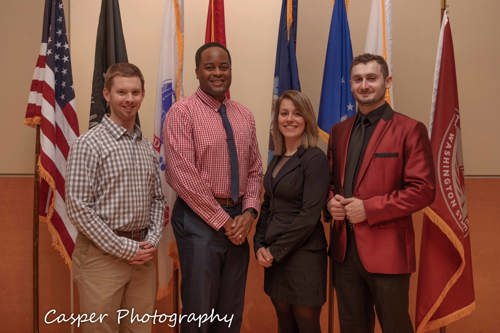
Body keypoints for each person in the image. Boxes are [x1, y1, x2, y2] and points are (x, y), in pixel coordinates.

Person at [326, 53, 436, 333]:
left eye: (371, 78)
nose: (364, 85)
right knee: (352, 327)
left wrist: (370, 208)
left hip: (388, 253)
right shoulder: (339, 132)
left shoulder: (409, 129)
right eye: (358, 79)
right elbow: (330, 183)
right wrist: (330, 204)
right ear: (351, 85)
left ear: (387, 81)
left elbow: (423, 190)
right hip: (344, 253)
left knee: (396, 327)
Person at [164, 42, 263, 333]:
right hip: (199, 222)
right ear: (197, 72)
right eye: (210, 67)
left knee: (230, 313)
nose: (218, 73)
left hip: (239, 222)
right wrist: (224, 222)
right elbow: (183, 176)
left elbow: (256, 169)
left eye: (224, 66)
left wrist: (249, 214)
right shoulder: (182, 113)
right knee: (199, 311)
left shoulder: (244, 115)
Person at [66, 63, 165, 333]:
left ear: (143, 95)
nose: (129, 99)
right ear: (107, 94)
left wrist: (152, 240)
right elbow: (78, 208)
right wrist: (124, 248)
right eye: (122, 92)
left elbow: (157, 199)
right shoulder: (88, 144)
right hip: (101, 258)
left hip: (143, 256)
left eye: (135, 92)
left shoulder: (146, 147)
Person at [254, 90, 329, 333]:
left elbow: (309, 216)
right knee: (285, 324)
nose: (289, 119)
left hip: (304, 256)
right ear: (277, 119)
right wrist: (259, 245)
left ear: (307, 118)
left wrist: (274, 251)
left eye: (297, 113)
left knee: (306, 324)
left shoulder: (314, 158)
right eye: (284, 113)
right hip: (276, 258)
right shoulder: (277, 159)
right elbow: (268, 206)